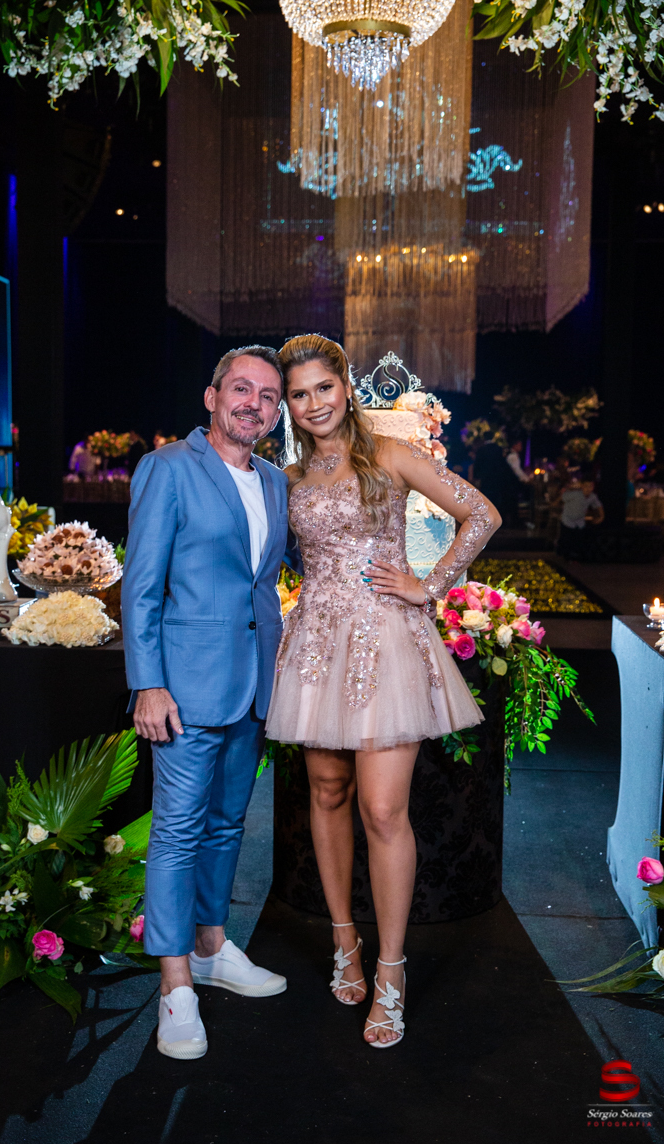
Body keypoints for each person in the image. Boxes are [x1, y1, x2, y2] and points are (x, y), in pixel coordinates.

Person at [265, 335, 501, 1049]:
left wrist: (431, 584)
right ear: (288, 404)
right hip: (316, 644)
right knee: (327, 792)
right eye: (299, 394)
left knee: (382, 808)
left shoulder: (392, 455)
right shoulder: (288, 476)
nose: (314, 404)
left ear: (345, 386)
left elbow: (482, 514)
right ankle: (345, 940)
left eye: (323, 388)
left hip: (386, 640)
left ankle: (391, 970)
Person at [121, 346, 291, 1061]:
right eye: (242, 389)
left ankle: (214, 948)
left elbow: (268, 582)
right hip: (184, 689)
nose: (255, 403)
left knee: (226, 826)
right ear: (212, 397)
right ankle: (175, 987)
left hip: (252, 685)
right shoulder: (168, 468)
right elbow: (141, 586)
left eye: (269, 396)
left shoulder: (276, 481)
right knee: (177, 833)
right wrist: (147, 682)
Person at [556, 472, 604, 560]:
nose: (588, 489)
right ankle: (563, 554)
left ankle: (574, 557)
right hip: (567, 520)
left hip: (579, 522)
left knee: (577, 540)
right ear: (582, 486)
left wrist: (601, 517)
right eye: (586, 486)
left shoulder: (592, 497)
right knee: (565, 540)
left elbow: (598, 505)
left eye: (590, 486)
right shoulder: (575, 494)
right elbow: (563, 497)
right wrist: (555, 503)